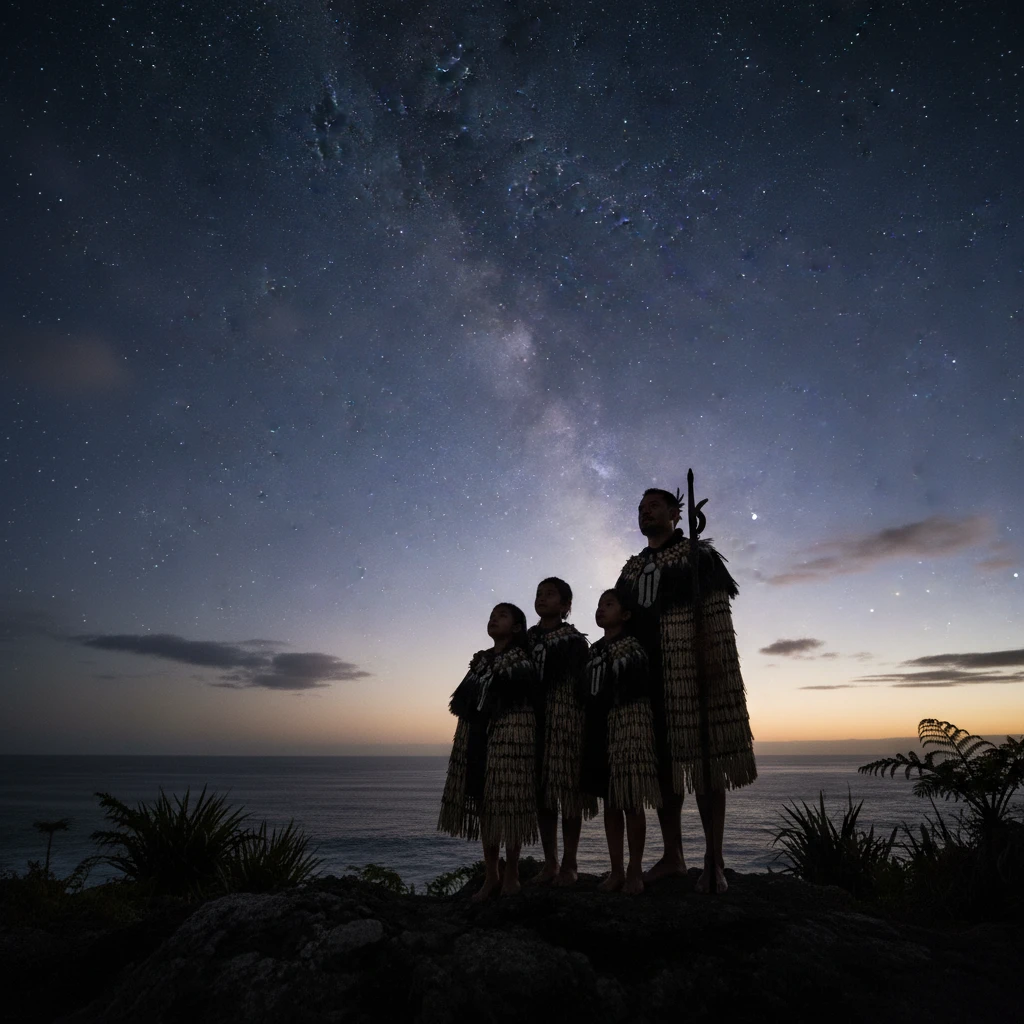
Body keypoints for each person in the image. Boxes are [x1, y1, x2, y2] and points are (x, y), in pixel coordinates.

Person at [616, 487, 757, 892]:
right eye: (640, 508)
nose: (645, 513)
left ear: (677, 514)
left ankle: (714, 861)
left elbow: (716, 615)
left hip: (689, 671)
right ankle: (673, 857)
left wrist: (715, 664)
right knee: (663, 766)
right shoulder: (630, 569)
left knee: (705, 762)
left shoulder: (699, 556)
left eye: (654, 506)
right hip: (645, 675)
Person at [437, 603, 539, 900]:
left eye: (502, 615)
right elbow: (465, 703)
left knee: (507, 801)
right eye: (492, 615)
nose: (494, 618)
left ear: (517, 627)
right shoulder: (479, 663)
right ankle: (492, 873)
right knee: (483, 802)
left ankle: (512, 874)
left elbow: (522, 703)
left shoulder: (521, 662)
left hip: (509, 740)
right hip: (476, 736)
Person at [580, 589, 661, 895]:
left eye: (609, 605)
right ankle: (615, 870)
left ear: (625, 614)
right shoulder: (594, 650)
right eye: (599, 605)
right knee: (610, 801)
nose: (601, 610)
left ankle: (635, 869)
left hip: (628, 725)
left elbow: (636, 687)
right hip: (599, 728)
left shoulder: (633, 647)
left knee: (629, 800)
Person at [526, 577, 596, 886]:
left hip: (564, 721)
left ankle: (570, 863)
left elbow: (584, 684)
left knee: (567, 792)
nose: (542, 598)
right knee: (542, 793)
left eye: (550, 594)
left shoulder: (573, 639)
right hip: (531, 722)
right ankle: (550, 862)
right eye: (539, 593)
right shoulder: (526, 639)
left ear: (565, 605)